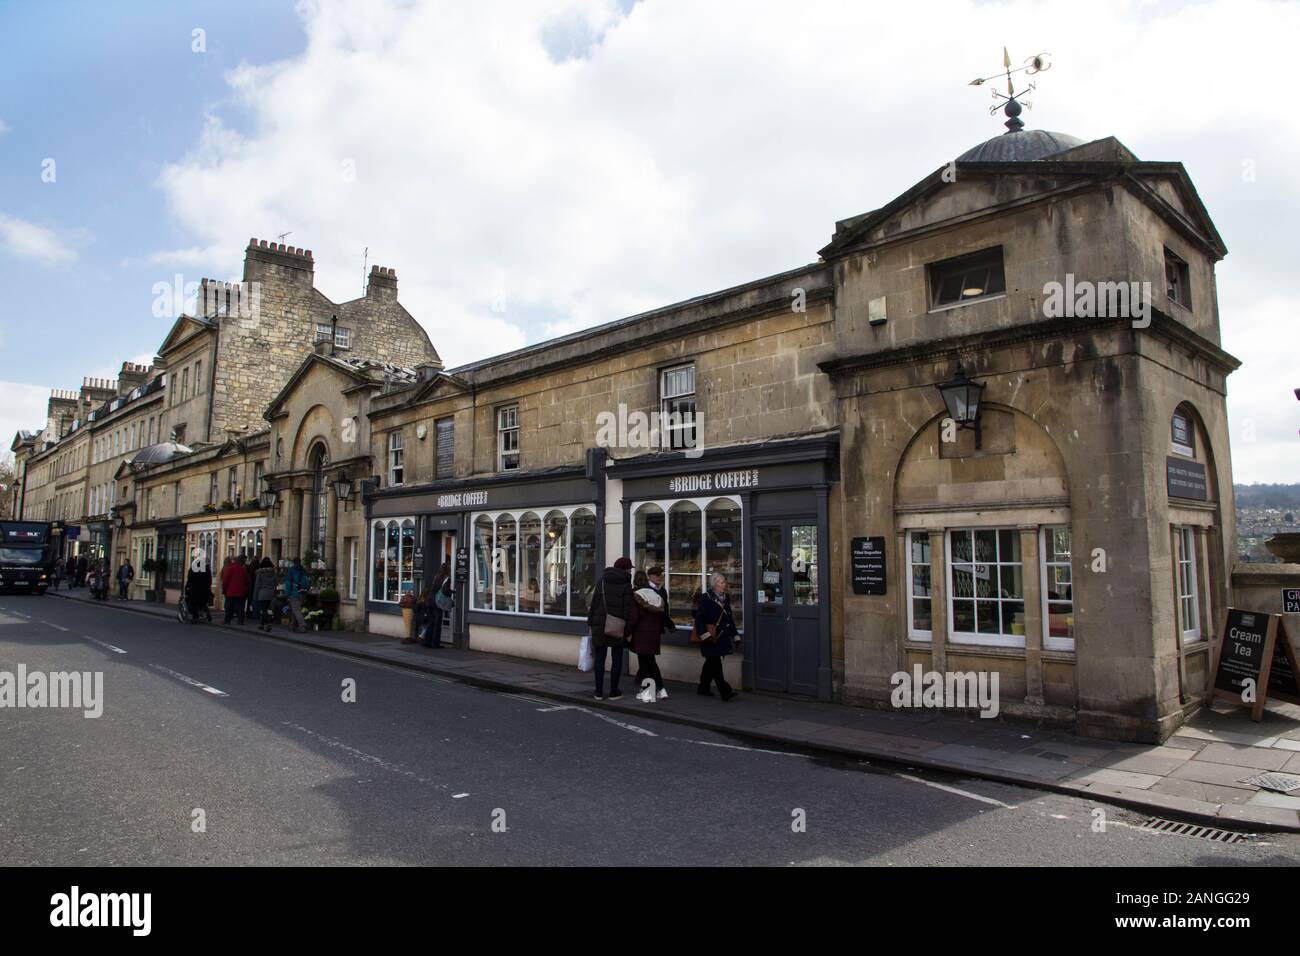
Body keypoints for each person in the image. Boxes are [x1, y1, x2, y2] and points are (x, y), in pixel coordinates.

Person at [586, 556, 633, 700]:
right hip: (617, 626)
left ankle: (598, 692)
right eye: (629, 568)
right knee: (617, 658)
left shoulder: (602, 581)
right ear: (626, 569)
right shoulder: (626, 585)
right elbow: (627, 610)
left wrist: (590, 624)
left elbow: (594, 604)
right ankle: (613, 691)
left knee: (599, 659)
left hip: (599, 625)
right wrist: (629, 630)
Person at [695, 571, 739, 701]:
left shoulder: (725, 598)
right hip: (709, 636)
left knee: (710, 663)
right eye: (722, 582)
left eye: (724, 582)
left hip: (720, 636)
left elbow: (729, 619)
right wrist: (704, 634)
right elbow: (699, 619)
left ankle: (703, 688)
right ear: (714, 584)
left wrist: (735, 635)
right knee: (715, 664)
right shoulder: (706, 598)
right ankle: (725, 691)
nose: (724, 585)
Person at [627, 569, 668, 701]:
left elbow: (634, 617)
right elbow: (662, 614)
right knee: (651, 662)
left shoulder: (636, 595)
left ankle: (647, 692)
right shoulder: (655, 594)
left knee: (645, 664)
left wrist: (628, 633)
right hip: (653, 633)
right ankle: (661, 689)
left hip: (641, 634)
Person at [421, 562, 452, 648]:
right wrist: (451, 593)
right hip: (437, 602)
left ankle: (427, 641)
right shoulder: (446, 578)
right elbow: (445, 591)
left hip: (430, 600)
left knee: (431, 621)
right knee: (437, 623)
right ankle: (435, 644)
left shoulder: (436, 576)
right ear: (447, 570)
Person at [184, 550, 213, 623]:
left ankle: (195, 617)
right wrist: (208, 588)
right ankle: (207, 611)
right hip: (205, 590)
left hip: (194, 590)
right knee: (202, 602)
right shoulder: (207, 569)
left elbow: (190, 579)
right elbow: (209, 580)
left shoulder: (193, 568)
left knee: (191, 603)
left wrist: (187, 588)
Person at [283, 558, 310, 633]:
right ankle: (292, 625)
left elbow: (288, 583)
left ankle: (302, 626)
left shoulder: (291, 571)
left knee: (296, 610)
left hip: (294, 593)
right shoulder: (303, 570)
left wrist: (287, 594)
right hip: (302, 593)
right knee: (295, 609)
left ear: (293, 563)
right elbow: (307, 583)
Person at [222, 554, 250, 625]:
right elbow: (247, 581)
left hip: (230, 592)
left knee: (229, 607)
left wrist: (224, 590)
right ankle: (240, 621)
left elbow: (225, 581)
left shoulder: (230, 568)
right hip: (240, 592)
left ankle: (227, 620)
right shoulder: (243, 569)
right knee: (240, 608)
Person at [252, 557, 277, 631]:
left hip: (262, 593)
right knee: (266, 609)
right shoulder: (273, 573)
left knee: (264, 609)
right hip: (271, 593)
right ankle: (261, 624)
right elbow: (276, 582)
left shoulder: (260, 573)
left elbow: (257, 584)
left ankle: (267, 623)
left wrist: (255, 595)